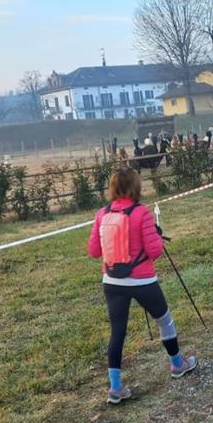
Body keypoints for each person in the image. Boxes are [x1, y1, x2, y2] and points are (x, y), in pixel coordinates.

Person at [88, 167, 197, 403]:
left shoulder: (101, 214)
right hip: (142, 280)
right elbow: (155, 250)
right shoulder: (141, 213)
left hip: (112, 281)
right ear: (136, 187)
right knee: (164, 320)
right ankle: (177, 364)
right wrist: (156, 235)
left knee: (117, 332)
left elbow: (94, 251)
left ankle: (115, 387)